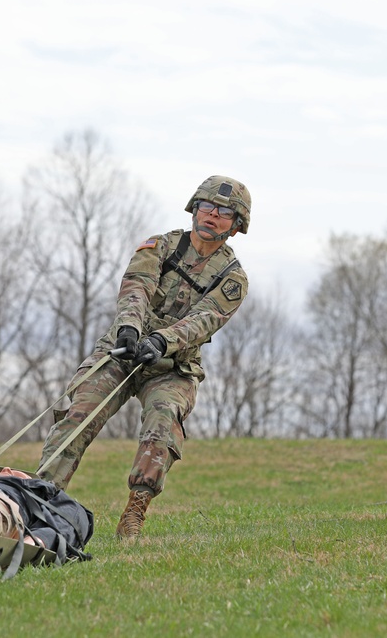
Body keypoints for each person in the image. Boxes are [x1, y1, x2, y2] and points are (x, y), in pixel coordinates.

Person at [37, 175, 251, 539]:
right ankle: (40, 499)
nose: (212, 215)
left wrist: (161, 342)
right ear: (194, 208)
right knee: (79, 411)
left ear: (236, 225)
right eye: (207, 206)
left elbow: (203, 322)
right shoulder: (161, 246)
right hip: (125, 347)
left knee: (164, 420)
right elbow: (136, 287)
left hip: (172, 364)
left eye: (224, 212)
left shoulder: (233, 279)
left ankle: (135, 512)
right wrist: (130, 331)